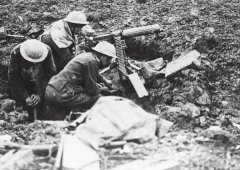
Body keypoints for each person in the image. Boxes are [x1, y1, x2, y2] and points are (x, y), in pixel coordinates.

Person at [45, 41, 117, 120]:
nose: (110, 61)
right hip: (62, 94)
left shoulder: (88, 57)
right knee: (98, 99)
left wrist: (104, 80)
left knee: (58, 119)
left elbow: (94, 72)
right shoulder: (92, 62)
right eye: (108, 58)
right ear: (101, 55)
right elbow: (91, 90)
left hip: (52, 89)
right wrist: (102, 90)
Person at [8, 39, 57, 122]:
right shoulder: (16, 53)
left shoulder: (46, 51)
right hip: (23, 79)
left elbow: (50, 74)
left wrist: (39, 95)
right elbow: (14, 77)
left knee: (44, 109)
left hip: (40, 79)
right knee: (20, 109)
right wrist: (25, 96)